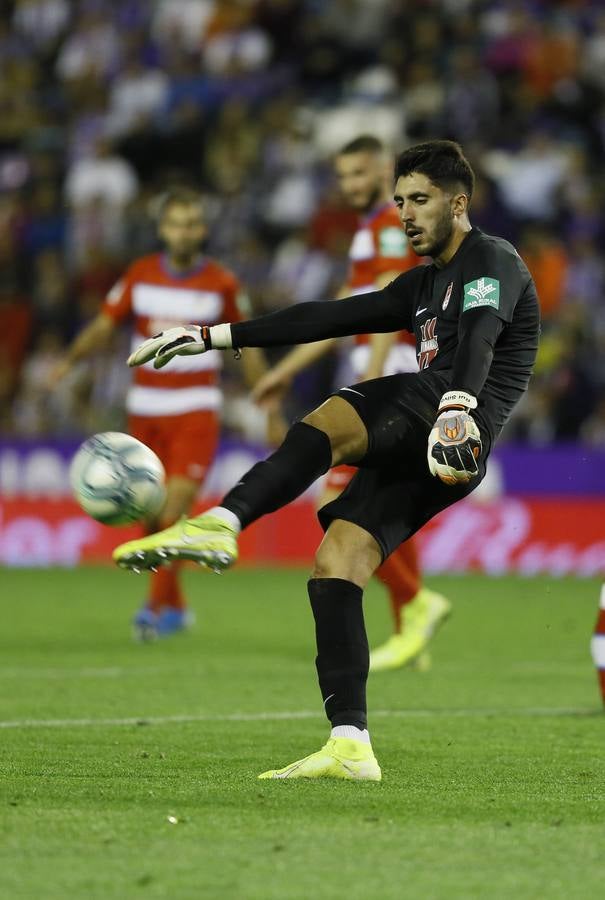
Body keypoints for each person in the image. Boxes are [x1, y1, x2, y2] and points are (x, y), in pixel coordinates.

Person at [113, 141, 540, 781]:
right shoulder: (421, 284)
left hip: (448, 417)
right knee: (337, 561)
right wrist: (209, 337)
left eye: (419, 200)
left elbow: (480, 333)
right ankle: (350, 743)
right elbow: (328, 317)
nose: (406, 214)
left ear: (459, 202)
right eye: (399, 202)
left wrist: (456, 402)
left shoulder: (491, 260)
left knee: (332, 419)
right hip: (444, 444)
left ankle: (225, 520)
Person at [253, 134, 450, 672]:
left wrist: (369, 377)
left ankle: (416, 602)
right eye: (343, 176)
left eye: (361, 174)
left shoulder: (391, 226)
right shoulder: (369, 230)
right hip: (386, 373)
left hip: (396, 374)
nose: (352, 186)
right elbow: (345, 311)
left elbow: (388, 293)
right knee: (378, 501)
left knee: (340, 501)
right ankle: (411, 625)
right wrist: (286, 370)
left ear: (385, 172)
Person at [55, 187, 274, 639]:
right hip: (145, 412)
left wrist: (267, 402)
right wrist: (70, 361)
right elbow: (103, 325)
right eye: (176, 223)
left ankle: (154, 608)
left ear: (203, 230)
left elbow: (246, 343)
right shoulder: (139, 274)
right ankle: (174, 606)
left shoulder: (223, 283)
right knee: (149, 513)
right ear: (163, 229)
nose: (184, 231)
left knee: (172, 508)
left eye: (192, 223)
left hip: (194, 410)